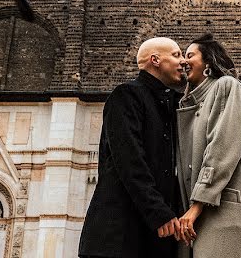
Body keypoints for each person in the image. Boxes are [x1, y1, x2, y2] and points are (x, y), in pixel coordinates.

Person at [79, 37, 187, 258]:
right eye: (176, 55)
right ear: (155, 60)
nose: (183, 61)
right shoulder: (126, 96)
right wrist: (159, 212)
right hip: (117, 237)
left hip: (154, 237)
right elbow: (129, 160)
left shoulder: (171, 104)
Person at [175, 33, 241, 258]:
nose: (183, 61)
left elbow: (222, 148)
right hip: (202, 217)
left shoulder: (227, 87)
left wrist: (196, 205)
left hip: (226, 213)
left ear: (208, 63)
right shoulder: (191, 104)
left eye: (190, 55)